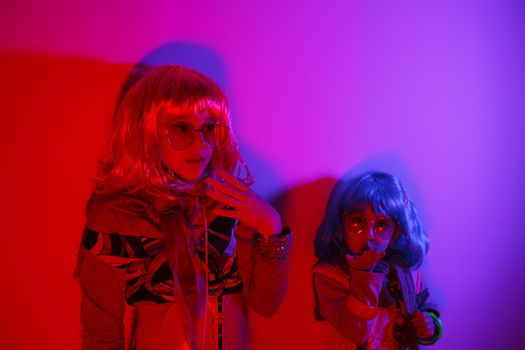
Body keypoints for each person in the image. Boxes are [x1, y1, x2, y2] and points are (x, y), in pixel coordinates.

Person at [74, 65, 292, 350]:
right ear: (147, 132)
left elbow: (266, 304)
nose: (200, 145)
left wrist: (271, 227)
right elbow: (101, 331)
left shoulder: (232, 202)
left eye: (209, 128)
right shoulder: (115, 217)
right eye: (181, 129)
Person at [312, 171, 442, 349]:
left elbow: (425, 309)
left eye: (382, 224)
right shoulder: (330, 276)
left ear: (396, 231)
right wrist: (364, 275)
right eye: (357, 221)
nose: (370, 235)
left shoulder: (407, 270)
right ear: (342, 224)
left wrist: (429, 326)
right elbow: (355, 332)